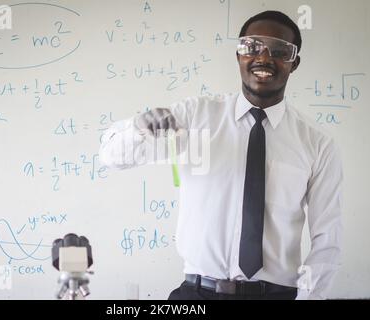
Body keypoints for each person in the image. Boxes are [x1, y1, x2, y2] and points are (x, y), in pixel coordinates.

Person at [99, 10, 343, 300]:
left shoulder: (317, 144)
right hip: (196, 294)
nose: (263, 58)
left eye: (279, 51)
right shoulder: (194, 117)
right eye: (252, 47)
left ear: (294, 63)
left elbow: (328, 239)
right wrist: (139, 127)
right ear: (239, 55)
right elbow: (113, 157)